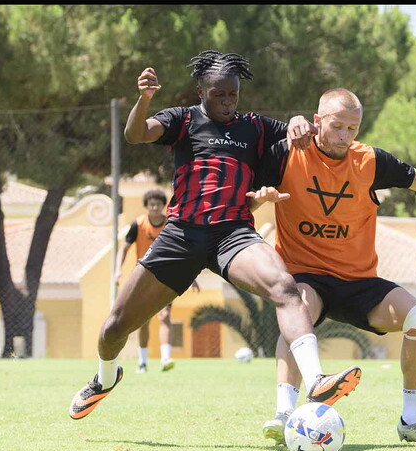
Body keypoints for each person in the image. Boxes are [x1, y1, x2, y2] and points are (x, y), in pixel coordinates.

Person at [69, 51, 362, 420]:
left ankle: (316, 378)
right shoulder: (182, 120)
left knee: (285, 287)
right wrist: (144, 100)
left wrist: (299, 120)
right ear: (200, 91)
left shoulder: (254, 127)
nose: (227, 102)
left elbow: (297, 131)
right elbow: (136, 134)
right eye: (218, 94)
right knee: (113, 328)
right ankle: (105, 379)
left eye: (233, 95)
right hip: (182, 236)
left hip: (233, 234)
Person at [250, 88, 416, 448]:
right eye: (337, 125)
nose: (343, 136)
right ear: (317, 120)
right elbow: (243, 198)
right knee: (297, 305)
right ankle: (283, 414)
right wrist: (255, 203)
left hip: (359, 281)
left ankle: (412, 420)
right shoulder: (286, 154)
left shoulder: (370, 161)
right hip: (306, 275)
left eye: (352, 128)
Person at [115, 188, 200, 373]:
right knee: (142, 321)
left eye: (158, 204)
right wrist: (117, 271)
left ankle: (165, 359)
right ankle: (142, 362)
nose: (154, 207)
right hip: (143, 277)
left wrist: (191, 276)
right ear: (146, 206)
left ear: (163, 206)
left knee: (164, 316)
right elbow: (124, 248)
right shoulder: (138, 225)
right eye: (151, 204)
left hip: (167, 276)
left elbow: (184, 250)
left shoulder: (171, 224)